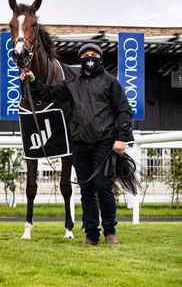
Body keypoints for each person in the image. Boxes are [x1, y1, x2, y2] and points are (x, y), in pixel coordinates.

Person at [20, 43, 134, 245]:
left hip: (104, 144)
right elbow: (47, 93)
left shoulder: (110, 82)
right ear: (81, 59)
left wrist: (122, 138)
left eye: (93, 54)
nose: (90, 57)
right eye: (86, 55)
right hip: (79, 145)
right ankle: (91, 235)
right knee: (87, 189)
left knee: (103, 187)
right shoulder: (72, 84)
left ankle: (110, 232)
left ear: (100, 58)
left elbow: (124, 110)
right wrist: (33, 79)